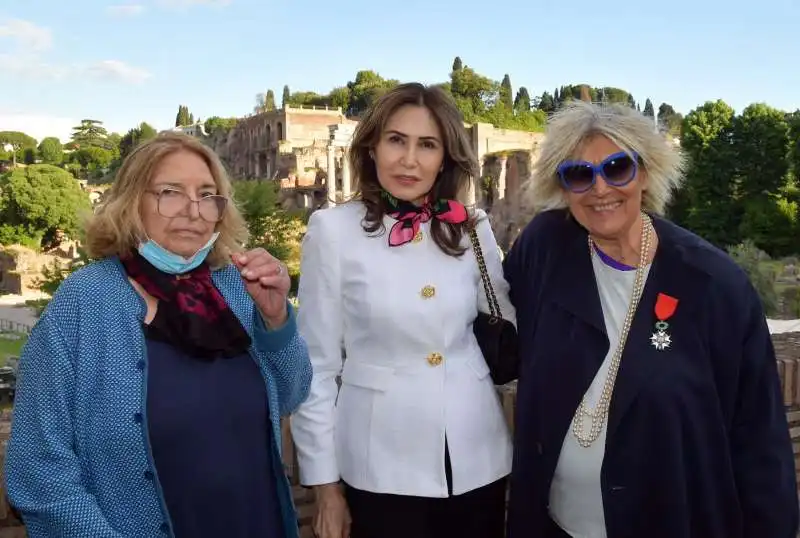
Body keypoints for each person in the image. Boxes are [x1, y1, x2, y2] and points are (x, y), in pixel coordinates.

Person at [504, 101, 799, 538]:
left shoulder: (714, 284)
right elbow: (495, 331)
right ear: (562, 187)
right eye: (579, 174)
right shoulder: (545, 248)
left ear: (644, 172)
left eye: (617, 167)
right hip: (554, 524)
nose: (600, 187)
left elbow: (758, 439)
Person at [5, 132, 312, 538]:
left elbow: (291, 394)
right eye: (170, 192)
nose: (193, 210)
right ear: (133, 203)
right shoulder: (83, 302)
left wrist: (276, 320)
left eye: (207, 195)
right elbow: (37, 468)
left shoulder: (235, 287)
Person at [290, 82, 515, 538]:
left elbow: (506, 319)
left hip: (478, 457)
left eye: (427, 145)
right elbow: (316, 366)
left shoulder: (472, 228)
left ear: (445, 158)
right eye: (396, 140)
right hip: (379, 466)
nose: (409, 159)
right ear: (372, 147)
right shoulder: (332, 232)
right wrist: (325, 486)